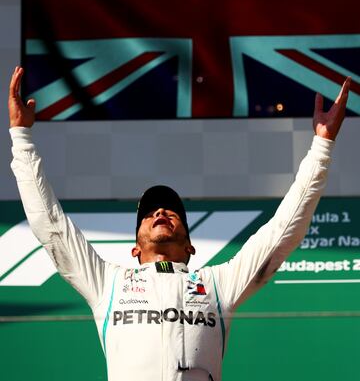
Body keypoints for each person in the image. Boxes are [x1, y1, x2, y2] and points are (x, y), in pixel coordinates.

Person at [8, 65, 350, 381]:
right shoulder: (107, 283)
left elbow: (283, 231)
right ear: (134, 248)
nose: (160, 213)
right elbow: (50, 224)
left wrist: (322, 146)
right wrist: (22, 139)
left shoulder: (219, 284)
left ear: (190, 246)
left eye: (171, 212)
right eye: (150, 212)